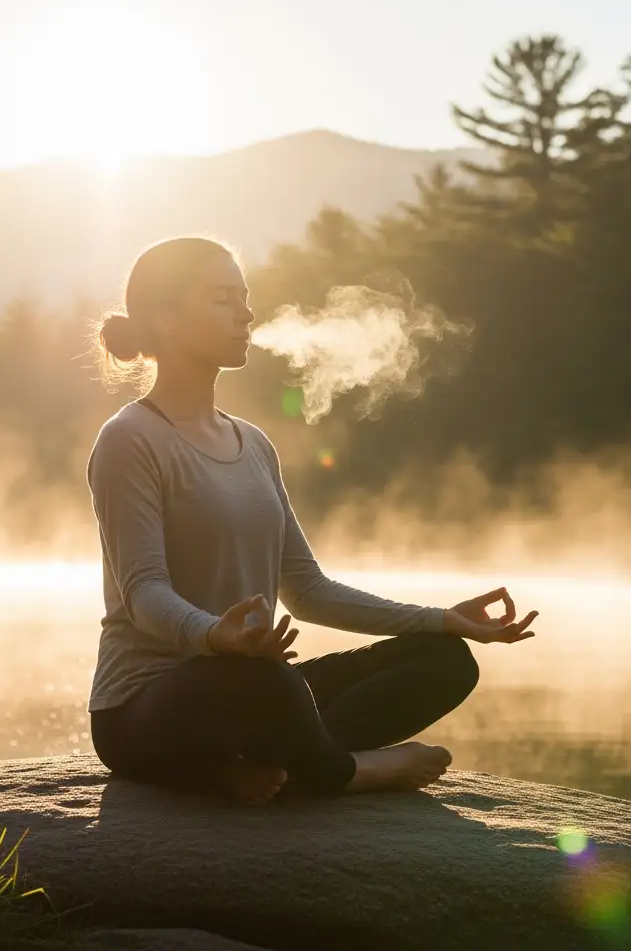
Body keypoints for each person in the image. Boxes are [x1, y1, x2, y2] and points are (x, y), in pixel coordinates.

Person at [86, 237, 539, 806]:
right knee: (266, 682)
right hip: (146, 710)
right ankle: (347, 772)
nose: (247, 314)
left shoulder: (252, 444)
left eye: (245, 298)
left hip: (251, 689)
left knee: (444, 661)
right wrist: (214, 635)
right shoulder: (130, 439)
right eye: (223, 299)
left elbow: (307, 590)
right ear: (164, 318)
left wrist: (442, 619)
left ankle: (255, 769)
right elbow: (143, 594)